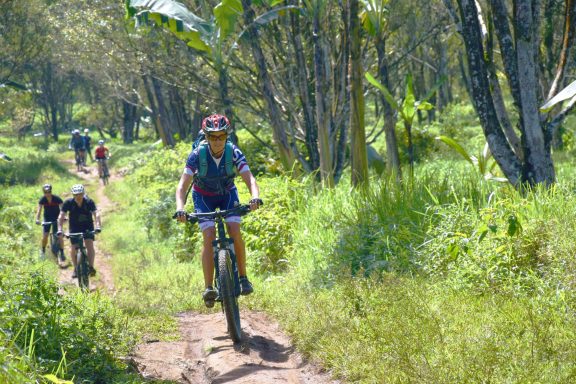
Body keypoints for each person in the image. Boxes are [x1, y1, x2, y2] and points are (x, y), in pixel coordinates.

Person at [175, 114, 262, 308]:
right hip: (203, 196)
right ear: (205, 137)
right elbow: (182, 186)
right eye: (212, 137)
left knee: (234, 229)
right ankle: (208, 287)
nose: (217, 141)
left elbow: (250, 178)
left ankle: (243, 277)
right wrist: (180, 208)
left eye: (221, 136)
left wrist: (254, 196)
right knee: (208, 235)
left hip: (227, 194)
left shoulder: (234, 152)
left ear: (227, 136)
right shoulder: (197, 154)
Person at [57, 184, 101, 278]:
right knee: (74, 248)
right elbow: (61, 216)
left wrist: (98, 226)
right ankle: (76, 268)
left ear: (83, 193)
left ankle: (91, 267)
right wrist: (60, 229)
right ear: (73, 195)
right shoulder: (68, 203)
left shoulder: (89, 201)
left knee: (89, 245)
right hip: (74, 227)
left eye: (80, 194)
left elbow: (96, 214)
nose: (78, 196)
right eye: (76, 195)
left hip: (87, 226)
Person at [35, 183, 66, 264]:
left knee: (59, 235)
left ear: (51, 191)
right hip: (47, 218)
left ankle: (62, 252)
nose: (47, 194)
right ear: (43, 193)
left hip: (57, 218)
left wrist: (64, 217)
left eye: (49, 192)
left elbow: (62, 209)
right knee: (45, 236)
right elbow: (39, 210)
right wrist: (37, 219)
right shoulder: (42, 199)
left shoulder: (57, 198)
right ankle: (43, 250)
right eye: (45, 192)